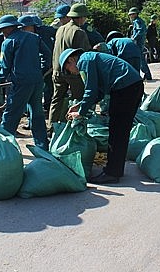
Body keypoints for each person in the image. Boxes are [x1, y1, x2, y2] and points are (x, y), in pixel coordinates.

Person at [61, 48, 143, 184]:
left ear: (71, 60)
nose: (71, 72)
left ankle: (112, 173)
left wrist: (80, 113)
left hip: (124, 88)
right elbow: (98, 92)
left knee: (116, 131)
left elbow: (90, 90)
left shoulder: (84, 61)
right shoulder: (89, 58)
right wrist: (80, 105)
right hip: (132, 86)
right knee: (121, 131)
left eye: (68, 68)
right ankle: (116, 169)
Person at [0, 15, 51, 149]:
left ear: (10, 27)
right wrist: (41, 70)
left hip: (21, 82)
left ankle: (3, 148)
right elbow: (47, 55)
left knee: (11, 114)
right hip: (37, 81)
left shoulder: (8, 42)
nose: (3, 33)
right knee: (37, 114)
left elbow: (5, 67)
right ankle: (42, 146)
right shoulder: (34, 37)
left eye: (4, 30)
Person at [48, 3, 92, 131]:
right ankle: (75, 128)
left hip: (57, 70)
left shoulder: (60, 29)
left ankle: (52, 127)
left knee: (56, 99)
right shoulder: (79, 32)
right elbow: (84, 54)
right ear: (80, 17)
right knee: (78, 99)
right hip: (71, 71)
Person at [19, 15, 56, 112]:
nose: (23, 30)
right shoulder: (26, 37)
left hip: (50, 64)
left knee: (48, 86)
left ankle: (47, 107)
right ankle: (31, 111)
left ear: (32, 26)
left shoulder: (45, 32)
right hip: (36, 66)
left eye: (24, 27)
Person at [128, 7, 153, 80]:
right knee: (140, 59)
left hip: (138, 43)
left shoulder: (137, 21)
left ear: (136, 14)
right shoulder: (139, 21)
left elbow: (140, 31)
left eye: (132, 14)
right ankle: (147, 74)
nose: (131, 16)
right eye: (130, 15)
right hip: (140, 42)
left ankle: (147, 74)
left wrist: (133, 38)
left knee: (140, 59)